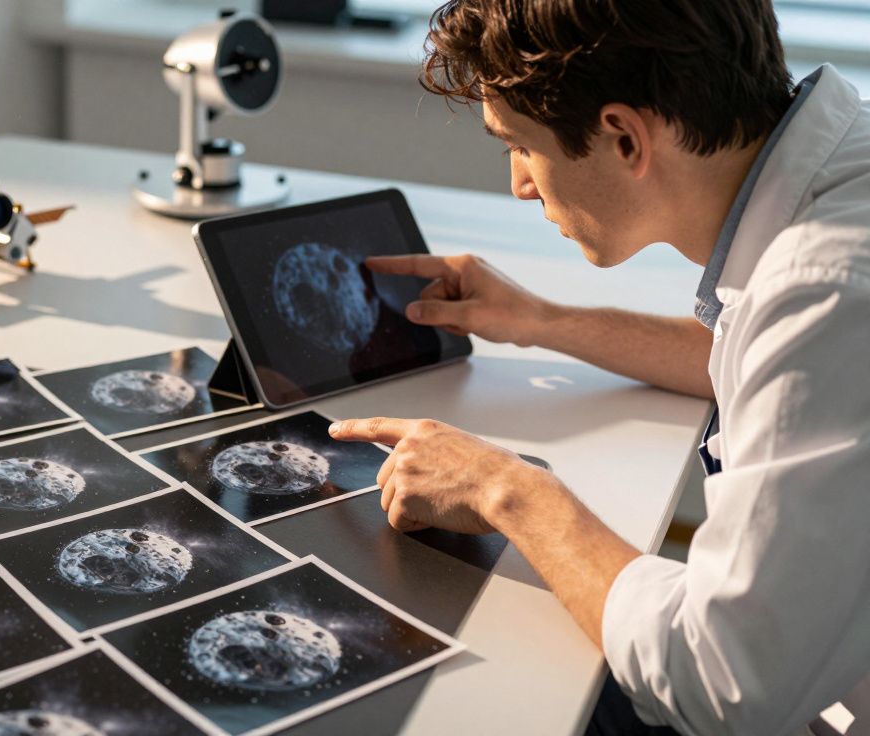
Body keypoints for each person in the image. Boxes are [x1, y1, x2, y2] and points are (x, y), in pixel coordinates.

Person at [326, 1, 870, 733]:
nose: (519, 183)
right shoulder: (841, 181)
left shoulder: (826, 289)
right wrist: (541, 321)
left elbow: (720, 684)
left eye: (520, 145)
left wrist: (503, 487)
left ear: (623, 138)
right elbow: (772, 365)